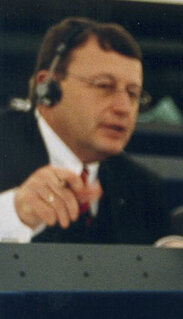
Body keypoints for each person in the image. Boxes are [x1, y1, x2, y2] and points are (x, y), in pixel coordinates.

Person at [0, 17, 168, 244]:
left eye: (132, 93)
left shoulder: (143, 188)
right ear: (47, 88)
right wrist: (14, 212)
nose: (123, 108)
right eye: (104, 86)